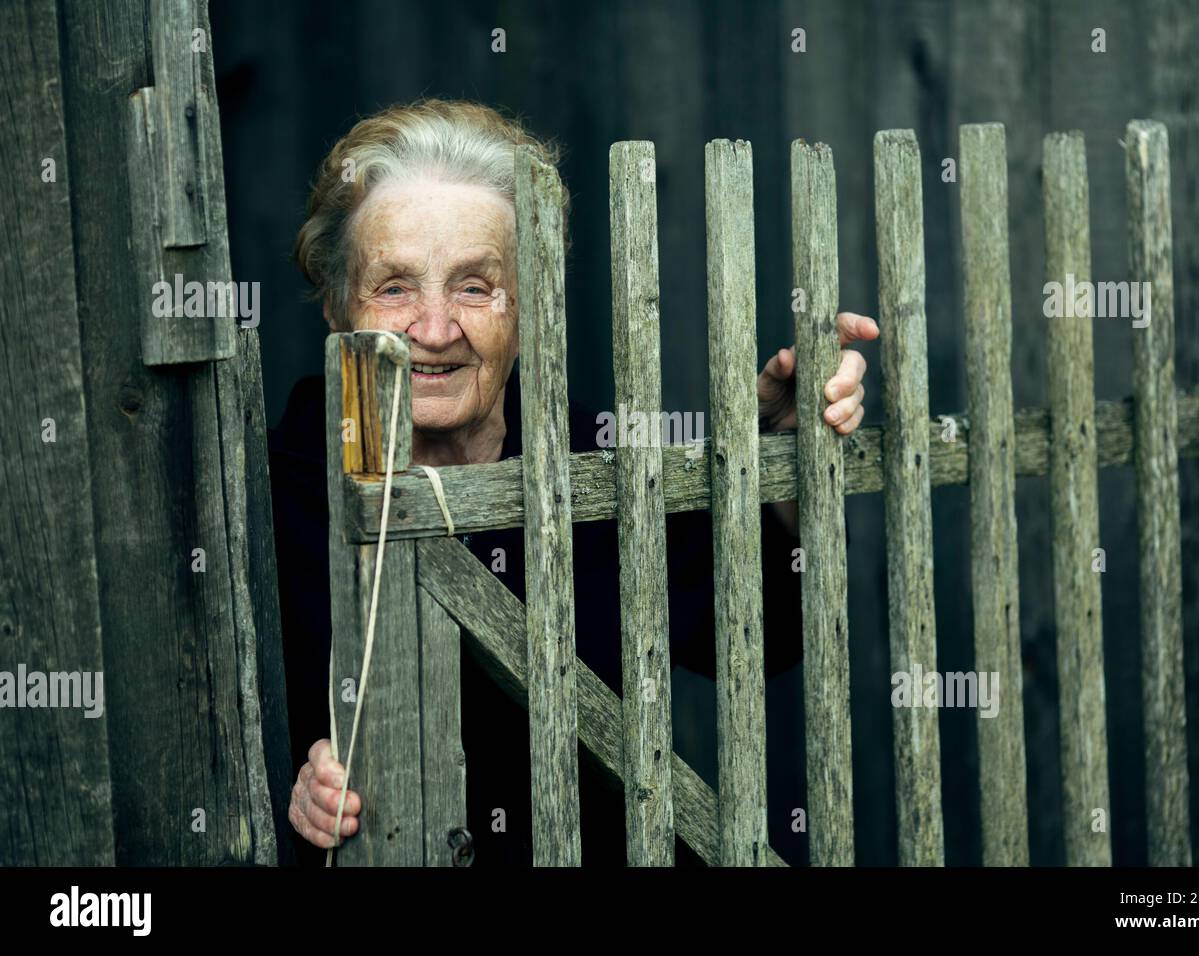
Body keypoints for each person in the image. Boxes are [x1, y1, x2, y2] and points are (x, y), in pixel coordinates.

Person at [274, 98, 877, 865]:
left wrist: (779, 462)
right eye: (393, 287)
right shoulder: (266, 497)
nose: (432, 329)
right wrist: (292, 788)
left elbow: (761, 637)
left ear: (529, 305)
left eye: (473, 286)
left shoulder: (602, 465)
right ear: (335, 304)